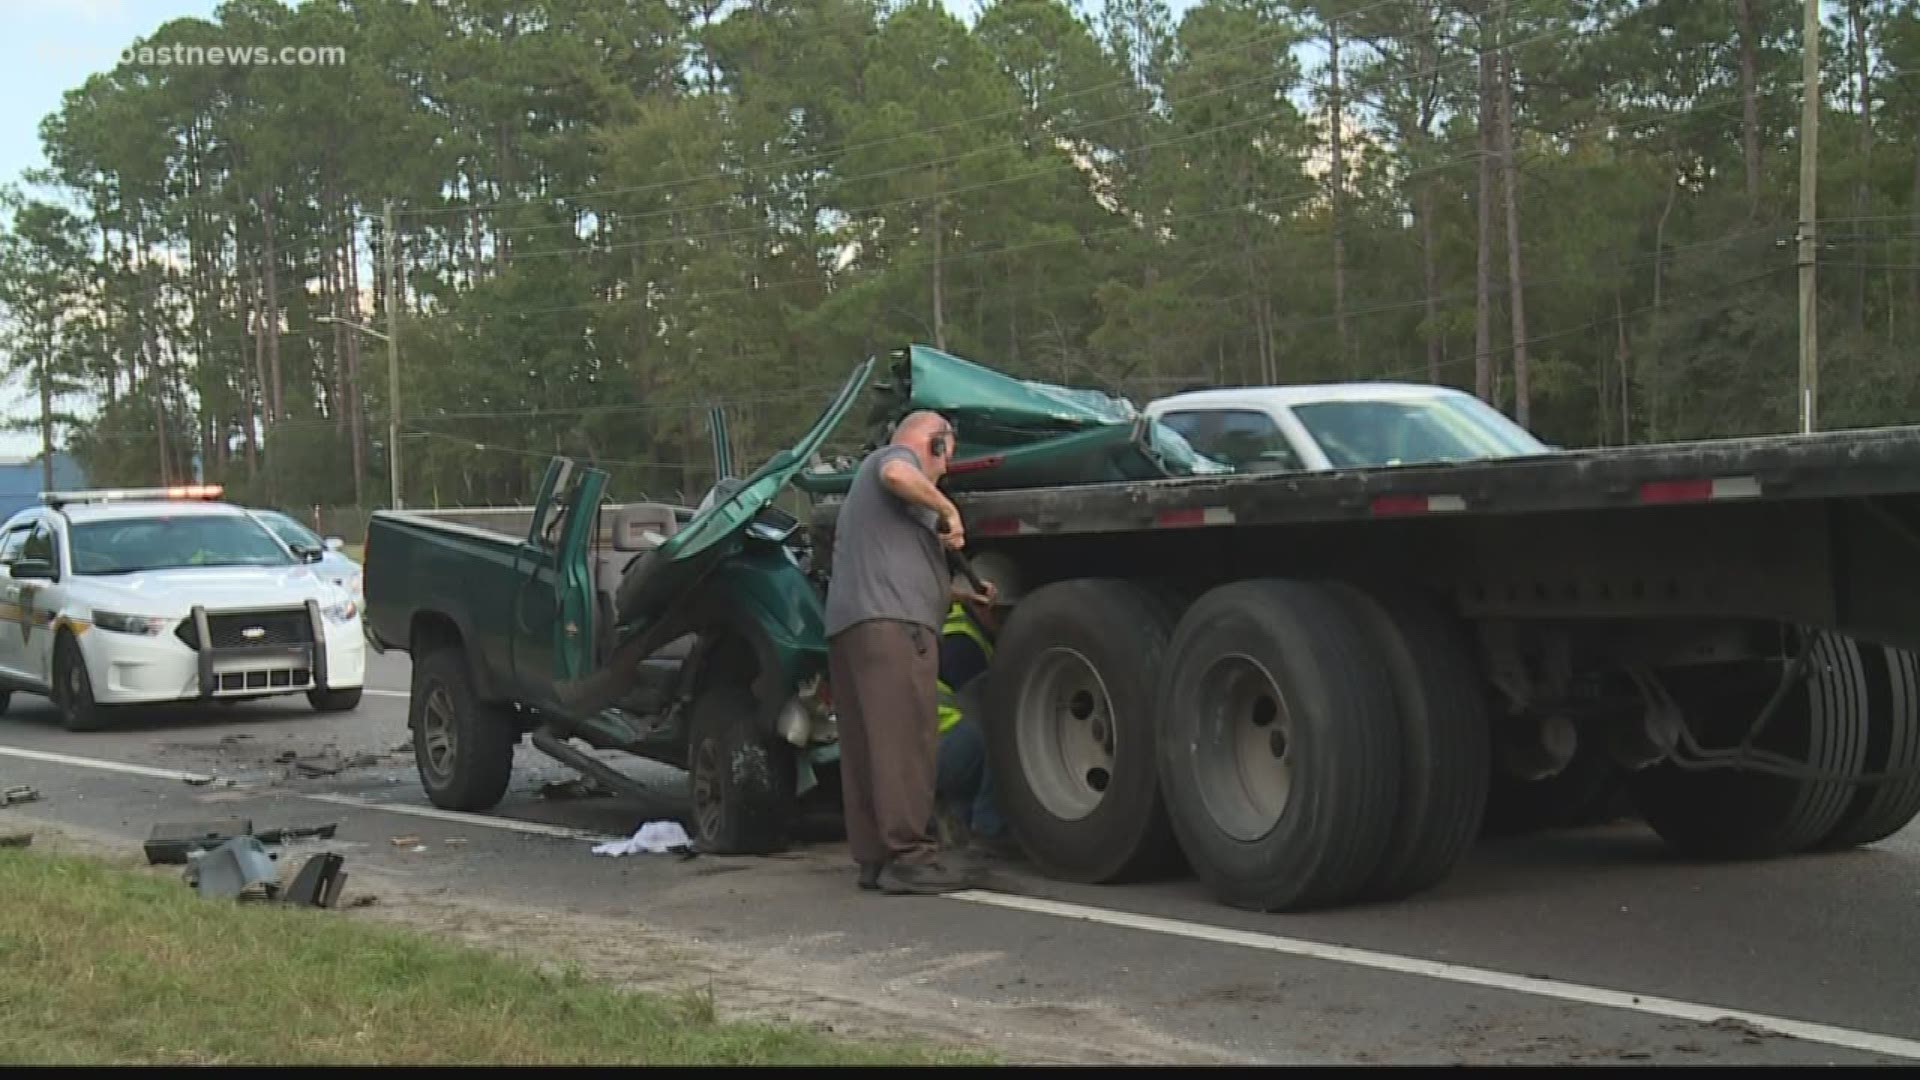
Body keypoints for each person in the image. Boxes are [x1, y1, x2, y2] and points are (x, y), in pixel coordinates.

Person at [824, 410, 997, 895]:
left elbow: (901, 566)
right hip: (893, 629)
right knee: (905, 740)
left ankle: (875, 859)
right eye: (947, 458)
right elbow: (900, 473)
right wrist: (949, 511)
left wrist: (963, 595)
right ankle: (911, 855)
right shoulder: (894, 461)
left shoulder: (877, 507)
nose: (944, 472)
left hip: (854, 627)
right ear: (935, 444)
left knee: (868, 746)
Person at [933, 596, 1021, 861]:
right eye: (1001, 614)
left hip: (931, 748)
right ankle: (988, 828)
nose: (1005, 622)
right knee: (1003, 733)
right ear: (981, 607)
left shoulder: (963, 630)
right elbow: (985, 713)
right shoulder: (962, 644)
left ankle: (958, 820)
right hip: (941, 751)